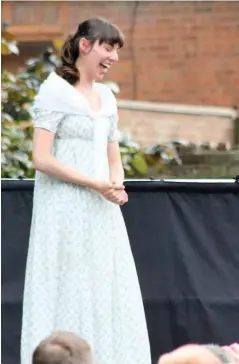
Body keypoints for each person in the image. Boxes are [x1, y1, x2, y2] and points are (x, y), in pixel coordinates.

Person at [21, 18, 152, 364]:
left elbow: (113, 155)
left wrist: (115, 184)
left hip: (101, 209)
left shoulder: (107, 97)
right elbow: (41, 158)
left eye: (117, 51)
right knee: (68, 284)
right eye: (108, 48)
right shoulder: (54, 91)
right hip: (62, 208)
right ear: (85, 45)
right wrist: (94, 183)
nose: (114, 57)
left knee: (105, 284)